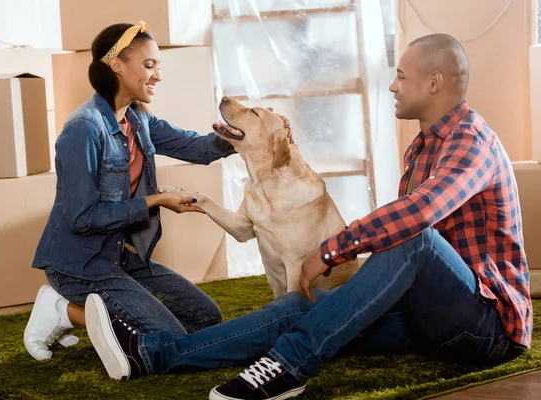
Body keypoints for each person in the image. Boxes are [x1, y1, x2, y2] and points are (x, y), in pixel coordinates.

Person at [82, 33, 533, 399]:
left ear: (434, 82)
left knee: (415, 236)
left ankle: (288, 365)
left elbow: (420, 214)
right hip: (425, 317)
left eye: (400, 76)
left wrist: (334, 249)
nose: (392, 85)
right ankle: (157, 353)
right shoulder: (421, 148)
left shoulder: (472, 142)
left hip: (483, 329)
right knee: (303, 303)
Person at [23, 20, 238, 361]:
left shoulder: (140, 121)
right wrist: (157, 200)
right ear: (118, 66)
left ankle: (76, 312)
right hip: (79, 265)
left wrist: (248, 131)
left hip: (119, 256)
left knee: (206, 318)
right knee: (172, 341)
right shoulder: (83, 130)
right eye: (149, 65)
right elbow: (82, 218)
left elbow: (200, 148)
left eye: (158, 66)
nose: (158, 75)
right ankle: (63, 310)